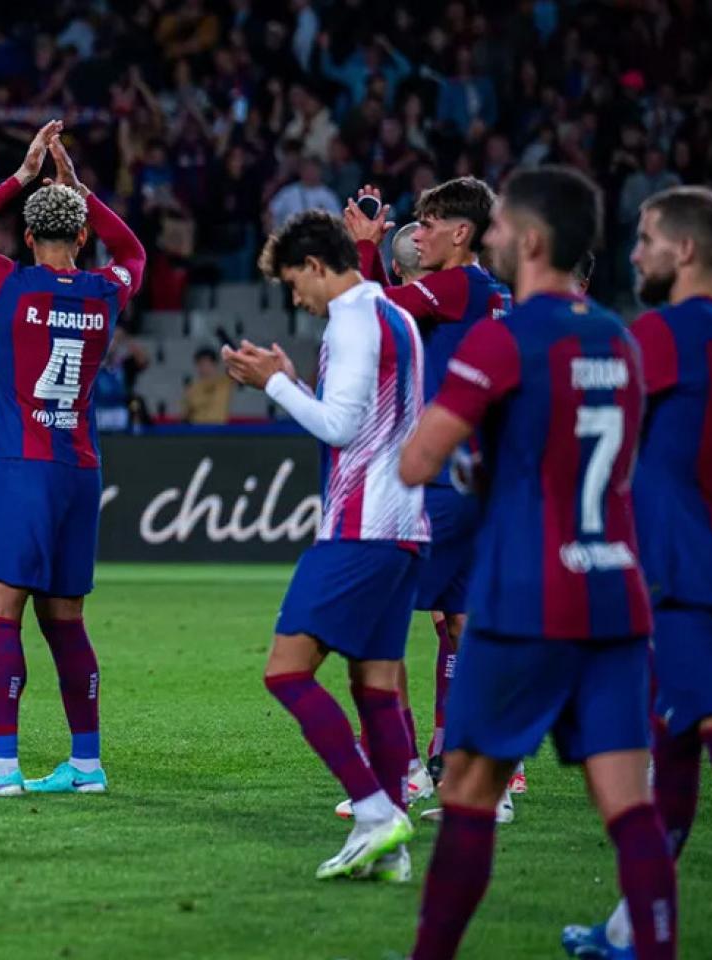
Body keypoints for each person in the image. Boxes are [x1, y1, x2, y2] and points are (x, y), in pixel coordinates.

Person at [398, 166, 675, 960]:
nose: (488, 238)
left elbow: (420, 461)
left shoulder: (504, 337)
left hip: (527, 597)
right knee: (628, 809)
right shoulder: (621, 340)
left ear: (534, 239)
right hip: (616, 597)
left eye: (500, 226)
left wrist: (475, 463)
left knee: (469, 793)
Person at [562, 186, 712, 959]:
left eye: (644, 239)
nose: (634, 254)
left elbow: (596, 415)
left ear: (683, 250)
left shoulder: (667, 333)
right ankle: (633, 931)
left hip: (681, 579)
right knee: (669, 762)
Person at [0, 121, 145, 796]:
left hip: (19, 468)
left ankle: (2, 768)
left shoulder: (11, 284)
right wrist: (81, 190)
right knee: (66, 621)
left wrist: (23, 176)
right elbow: (135, 250)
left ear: (28, 236)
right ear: (82, 237)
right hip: (79, 469)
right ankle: (86, 764)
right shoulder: (106, 288)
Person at [221, 209, 427, 882]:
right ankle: (389, 844)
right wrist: (294, 379)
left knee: (285, 671)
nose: (295, 299)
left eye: (293, 283)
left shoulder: (353, 320)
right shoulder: (396, 316)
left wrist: (273, 384)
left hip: (361, 526)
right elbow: (369, 422)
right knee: (375, 687)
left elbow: (340, 430)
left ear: (315, 266)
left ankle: (374, 811)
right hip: (406, 528)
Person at [343, 177, 514, 812]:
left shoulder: (455, 284)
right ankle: (486, 786)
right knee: (466, 626)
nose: (419, 232)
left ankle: (404, 769)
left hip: (439, 481)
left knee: (371, 618)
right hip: (479, 480)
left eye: (429, 222)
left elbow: (369, 312)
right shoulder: (495, 296)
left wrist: (364, 248)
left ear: (461, 233)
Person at [181, 348, 232, 424]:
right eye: (200, 364)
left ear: (214, 364)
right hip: (197, 431)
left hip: (219, 431)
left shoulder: (225, 382)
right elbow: (185, 416)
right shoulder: (192, 388)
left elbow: (237, 367)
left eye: (206, 363)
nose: (203, 368)